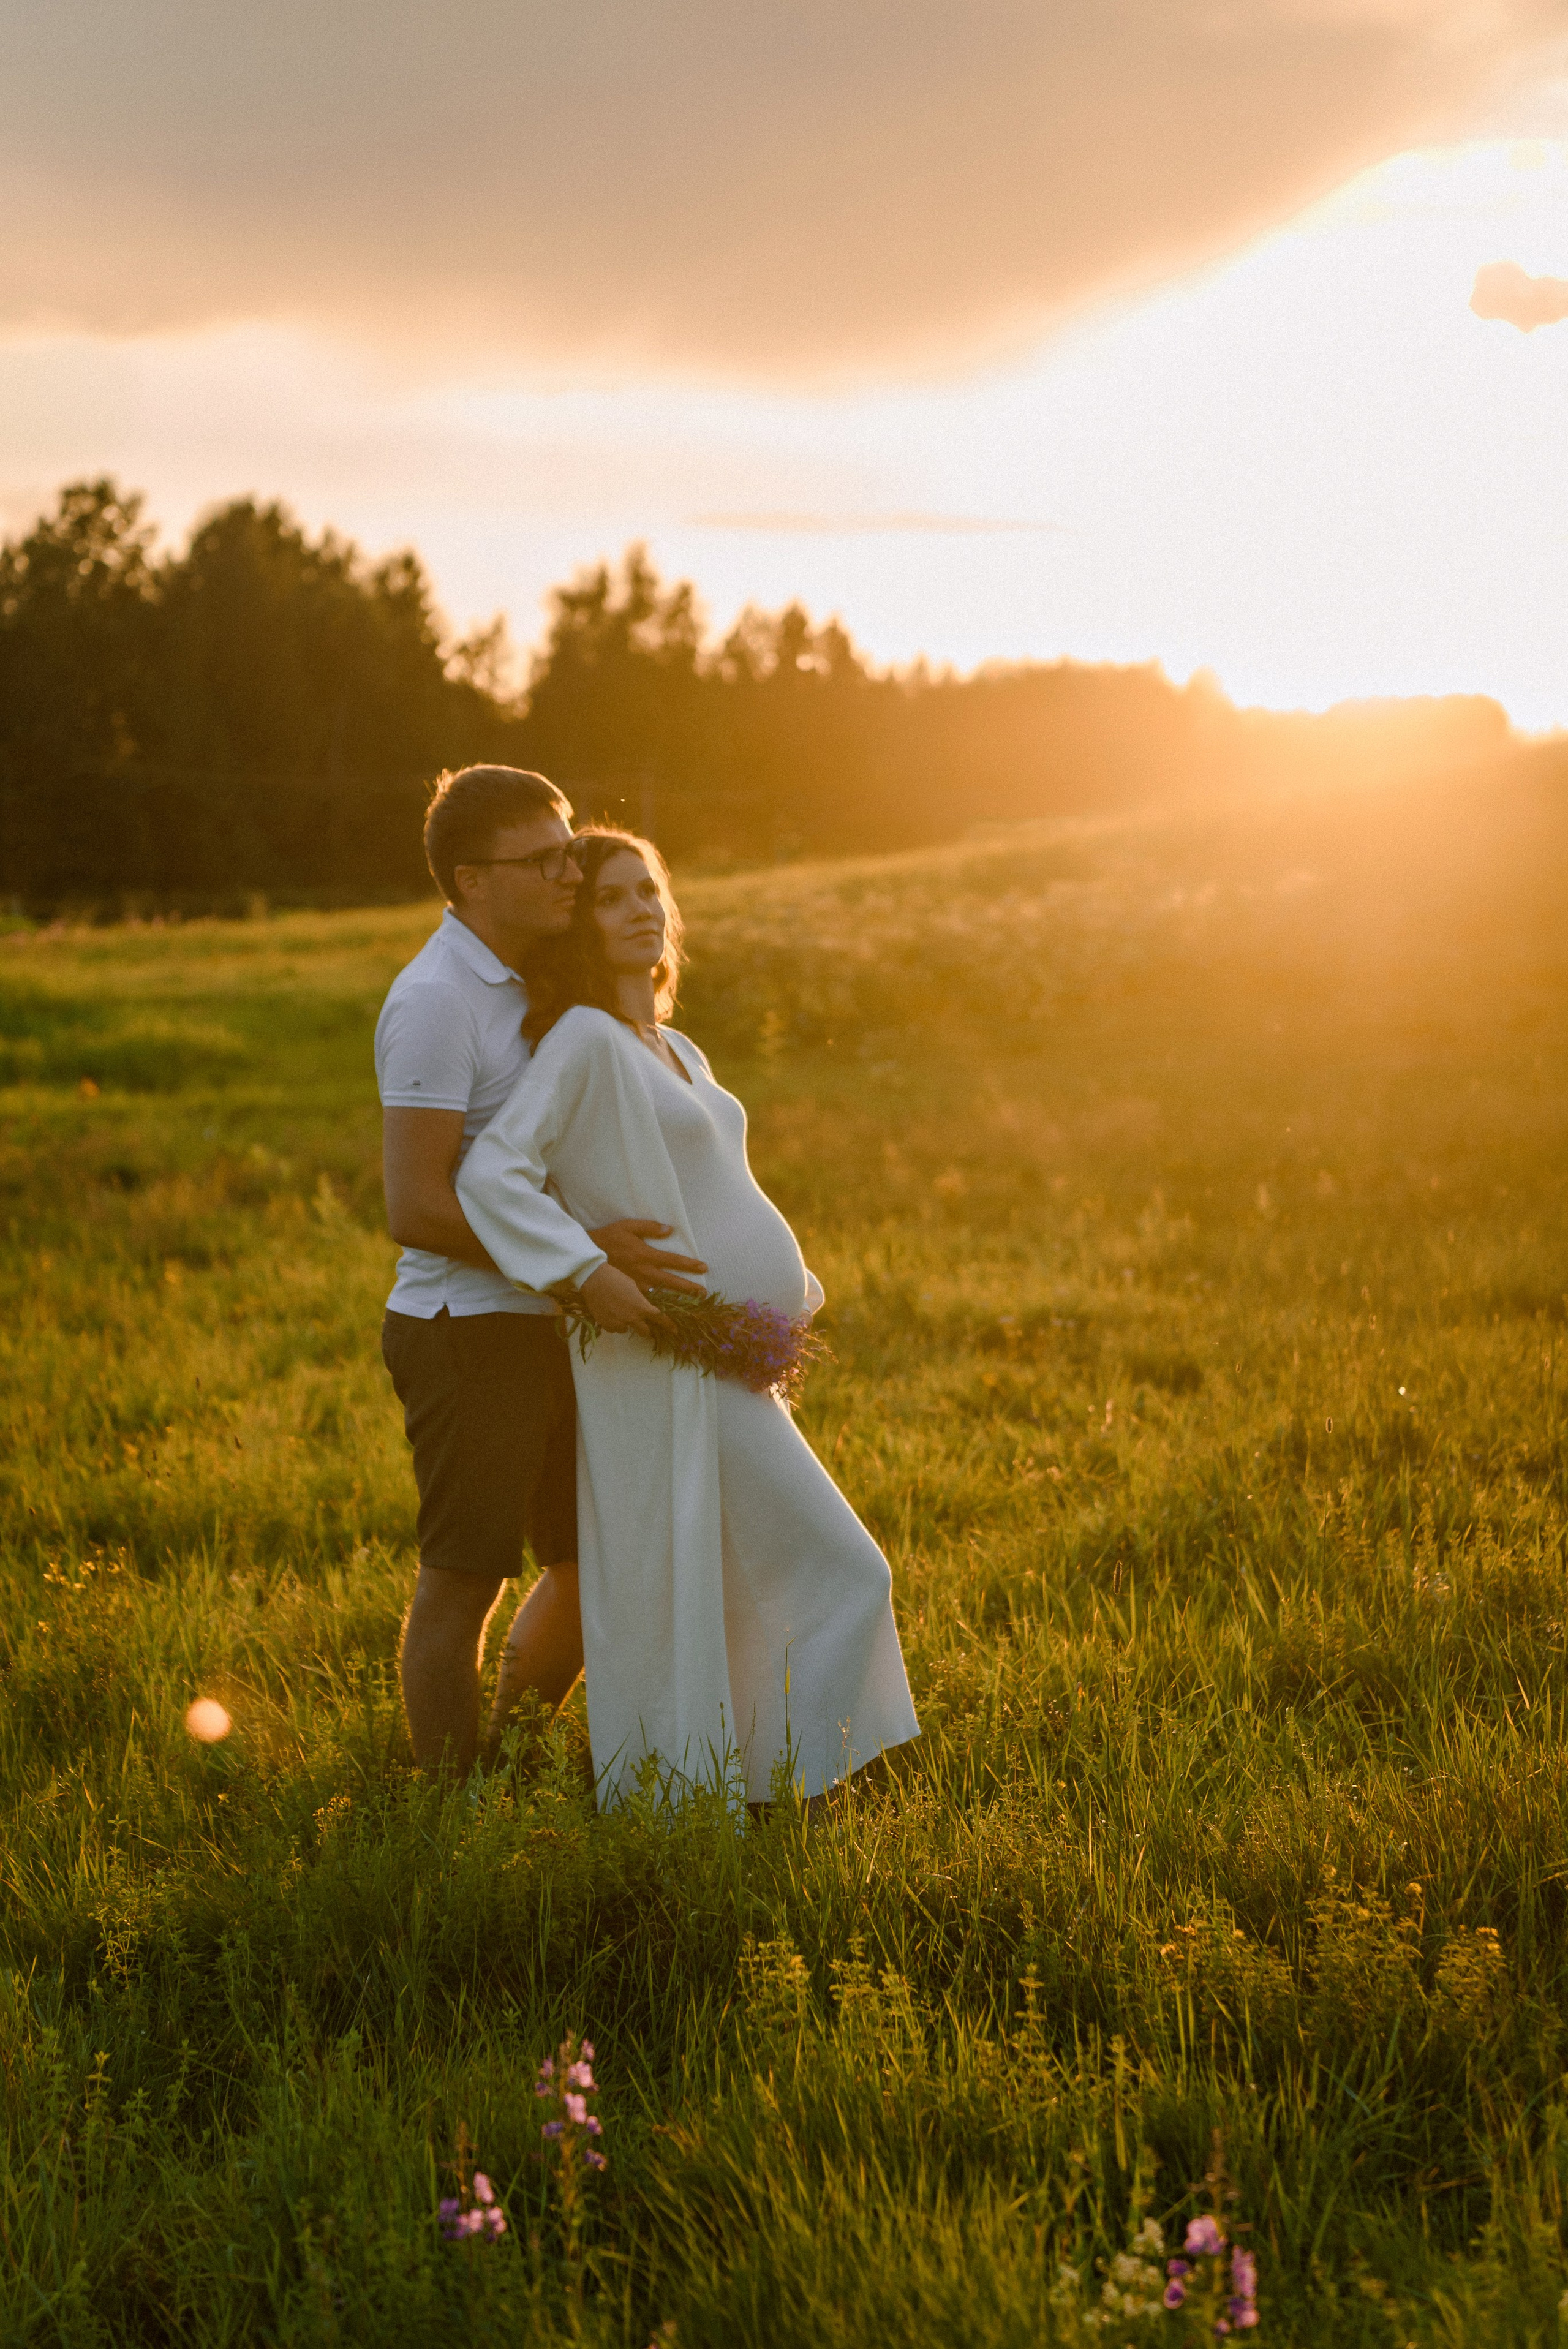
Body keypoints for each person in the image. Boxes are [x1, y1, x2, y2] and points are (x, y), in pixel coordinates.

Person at [455, 827, 920, 1808]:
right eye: (611, 898)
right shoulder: (583, 1038)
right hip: (665, 1352)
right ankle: (791, 1785)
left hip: (731, 1355)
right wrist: (584, 1269)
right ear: (581, 926)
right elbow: (494, 1172)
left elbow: (719, 1185)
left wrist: (789, 1296)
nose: (638, 911)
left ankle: (734, 1783)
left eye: (649, 892)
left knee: (728, 1581)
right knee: (844, 1567)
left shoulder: (675, 1044)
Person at [375, 767, 707, 1777]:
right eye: (546, 859)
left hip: (563, 1319)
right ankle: (445, 1810)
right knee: (465, 1576)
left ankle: (508, 1760)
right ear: (473, 880)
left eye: (570, 850)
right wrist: (583, 1257)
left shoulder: (537, 982)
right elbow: (418, 1204)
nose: (571, 871)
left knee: (587, 1562)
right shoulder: (437, 1000)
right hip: (469, 1326)